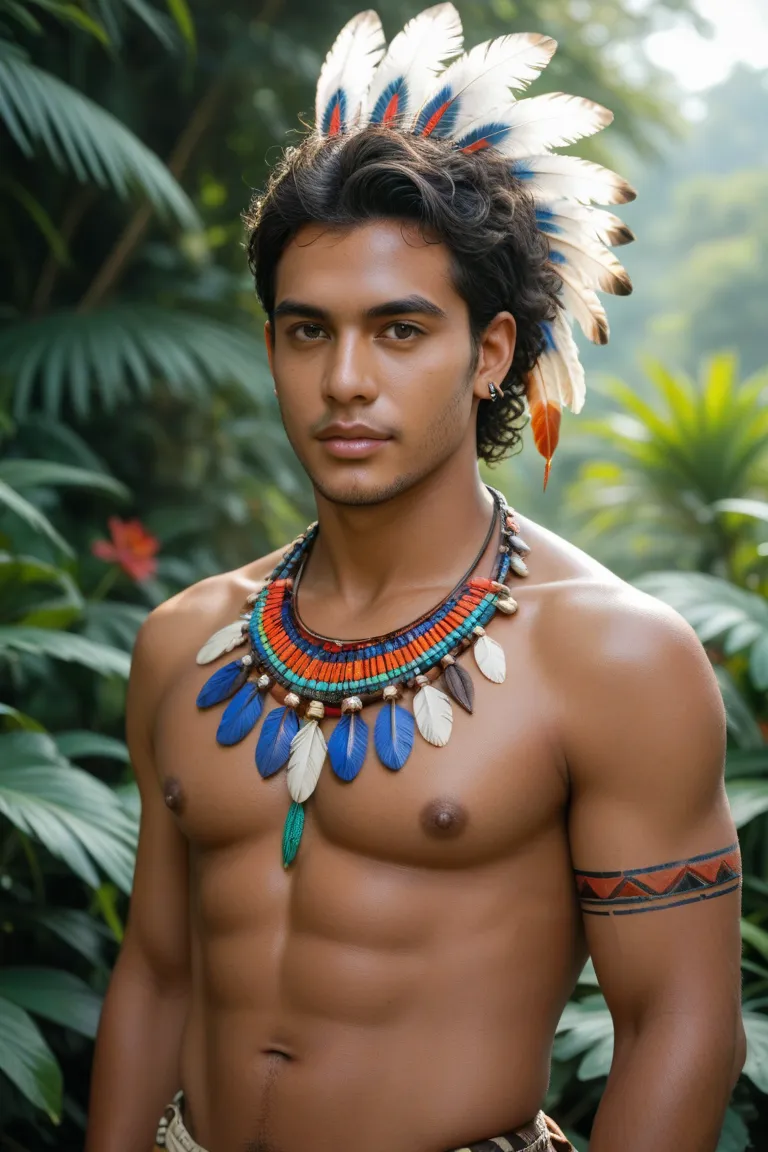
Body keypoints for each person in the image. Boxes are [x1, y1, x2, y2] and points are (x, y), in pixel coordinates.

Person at [85, 7, 745, 1152]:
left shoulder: (613, 659)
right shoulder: (183, 642)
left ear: (489, 352)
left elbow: (680, 1022)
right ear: (275, 347)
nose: (346, 381)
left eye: (399, 332)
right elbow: (155, 978)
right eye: (307, 333)